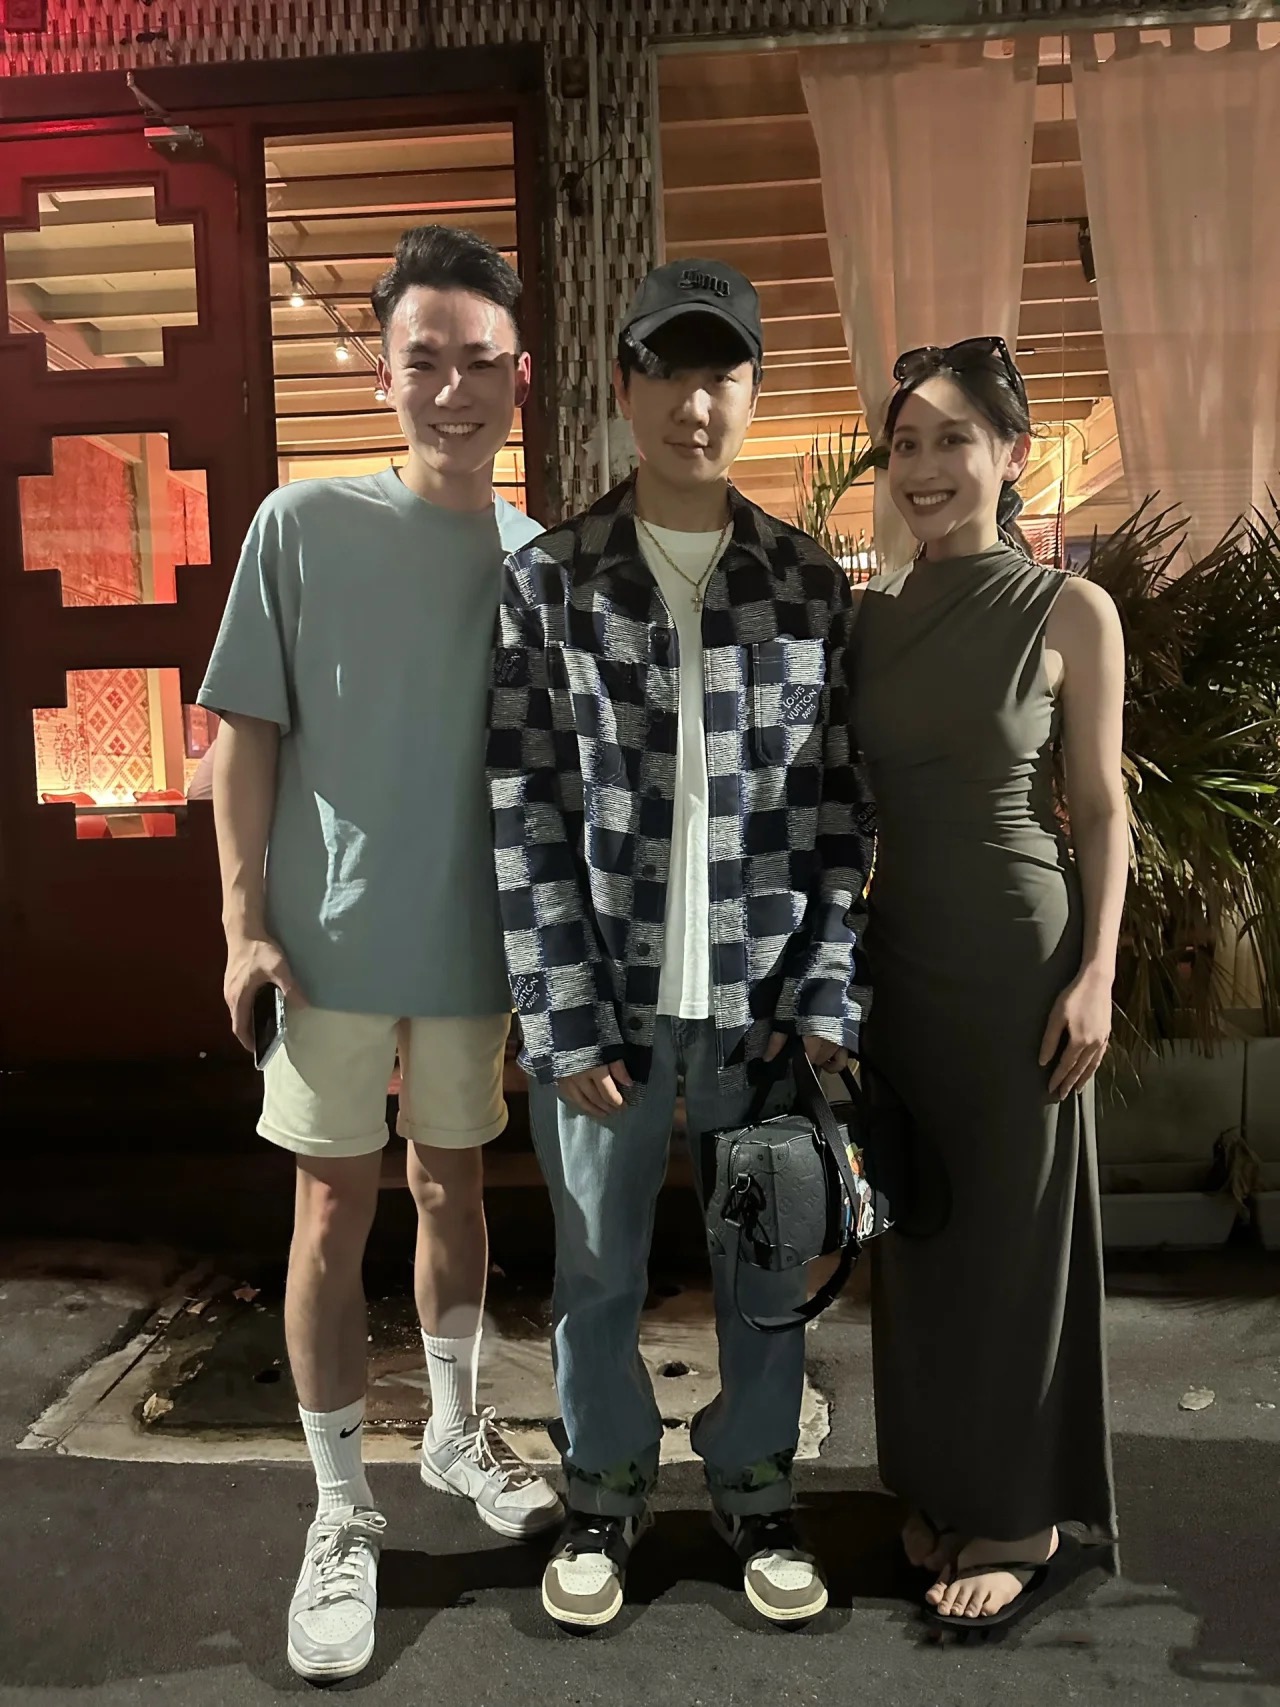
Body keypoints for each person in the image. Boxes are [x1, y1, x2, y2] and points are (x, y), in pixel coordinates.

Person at [486, 259, 875, 1632]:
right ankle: (603, 1488)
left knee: (768, 1257)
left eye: (723, 375)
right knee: (595, 1264)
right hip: (608, 1004)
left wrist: (827, 991)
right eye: (670, 371)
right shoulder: (551, 582)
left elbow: (844, 812)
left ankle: (758, 1485)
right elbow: (523, 808)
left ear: (754, 396)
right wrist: (560, 1014)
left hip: (761, 1000)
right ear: (623, 388)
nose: (694, 404)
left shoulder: (807, 583)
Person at [198, 224, 562, 1685]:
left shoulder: (539, 561)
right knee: (330, 1210)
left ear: (521, 379)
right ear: (385, 374)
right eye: (426, 359)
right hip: (330, 945)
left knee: (455, 1185)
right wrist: (244, 919)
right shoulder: (299, 526)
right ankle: (341, 1507)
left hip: (477, 943)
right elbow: (243, 735)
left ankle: (459, 1430)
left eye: (480, 361)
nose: (452, 389)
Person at [849, 336, 1124, 1634]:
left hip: (1023, 961)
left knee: (1015, 1241)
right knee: (921, 1235)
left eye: (952, 439)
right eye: (905, 444)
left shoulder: (1070, 610)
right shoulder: (870, 619)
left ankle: (1017, 1514)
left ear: (1011, 454)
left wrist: (1100, 974)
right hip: (901, 956)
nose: (924, 467)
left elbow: (1102, 809)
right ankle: (942, 1482)